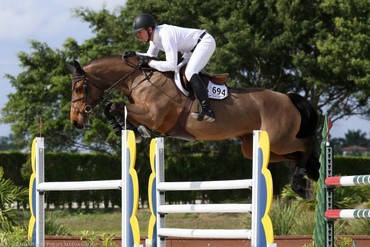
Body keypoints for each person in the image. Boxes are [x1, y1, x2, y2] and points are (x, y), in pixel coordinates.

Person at [133, 13, 216, 122]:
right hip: (190, 51)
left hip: (205, 43)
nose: (138, 36)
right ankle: (192, 105)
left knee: (190, 72)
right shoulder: (154, 38)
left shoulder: (165, 35)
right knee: (178, 75)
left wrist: (150, 63)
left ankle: (207, 110)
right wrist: (134, 54)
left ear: (149, 29)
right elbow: (150, 56)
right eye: (137, 33)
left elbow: (171, 65)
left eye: (140, 32)